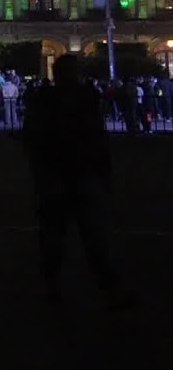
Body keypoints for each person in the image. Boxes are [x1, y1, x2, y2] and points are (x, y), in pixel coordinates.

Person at [22, 54, 130, 308]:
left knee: (80, 237)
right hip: (68, 176)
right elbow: (96, 139)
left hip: (71, 176)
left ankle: (71, 287)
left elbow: (33, 140)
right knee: (82, 237)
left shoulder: (57, 100)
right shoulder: (74, 100)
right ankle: (97, 287)